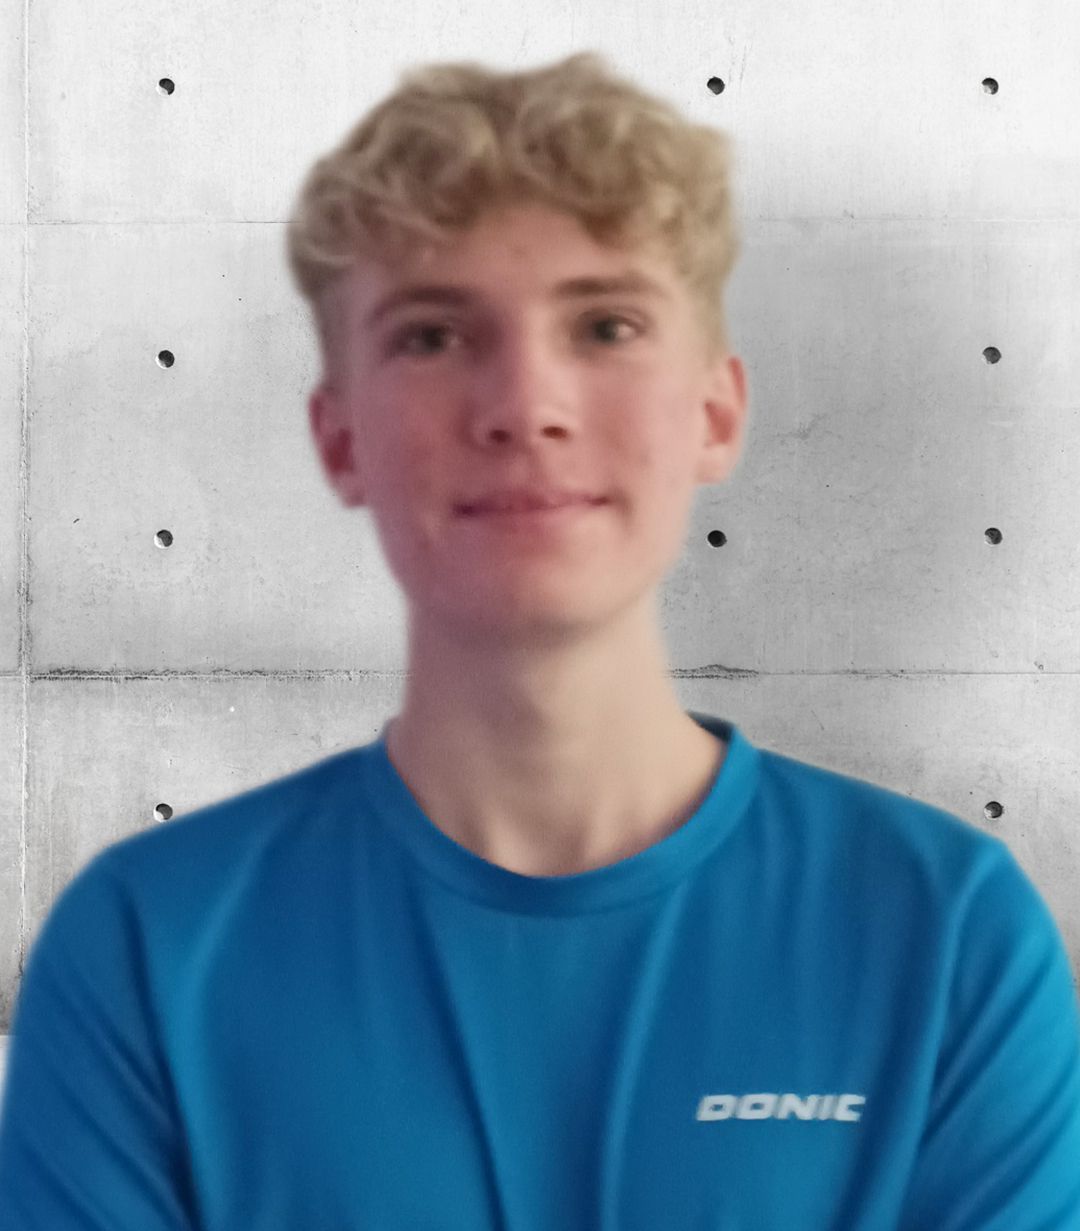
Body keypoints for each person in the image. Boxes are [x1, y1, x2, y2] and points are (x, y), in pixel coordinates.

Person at [2, 50, 1079, 1230]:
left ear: (715, 412)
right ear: (340, 437)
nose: (526, 406)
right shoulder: (147, 949)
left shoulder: (948, 936)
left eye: (606, 325)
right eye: (432, 335)